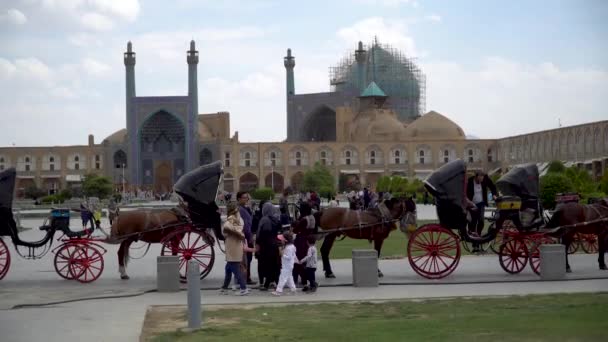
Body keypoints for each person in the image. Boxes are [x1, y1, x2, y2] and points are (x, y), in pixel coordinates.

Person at [219, 202, 249, 296]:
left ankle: (243, 288)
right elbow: (240, 232)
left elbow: (226, 230)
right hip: (236, 246)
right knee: (228, 268)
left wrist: (230, 233)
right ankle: (224, 288)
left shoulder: (230, 220)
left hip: (232, 247)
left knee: (235, 270)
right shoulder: (240, 220)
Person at [466, 170, 497, 253]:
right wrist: (468, 204)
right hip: (472, 204)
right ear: (476, 176)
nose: (482, 180)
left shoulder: (485, 179)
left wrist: (494, 194)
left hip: (481, 204)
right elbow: (465, 193)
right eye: (480, 178)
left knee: (481, 221)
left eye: (483, 178)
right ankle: (474, 244)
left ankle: (478, 241)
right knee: (473, 223)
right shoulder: (470, 181)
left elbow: (492, 186)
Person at [256, 202, 282, 291]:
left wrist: (258, 244)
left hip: (265, 246)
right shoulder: (276, 219)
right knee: (274, 265)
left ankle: (266, 284)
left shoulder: (264, 220)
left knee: (266, 265)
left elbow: (259, 234)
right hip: (274, 245)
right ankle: (275, 284)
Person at [291, 202, 315, 286]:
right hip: (309, 240)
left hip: (301, 241)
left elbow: (295, 230)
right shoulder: (312, 217)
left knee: (298, 260)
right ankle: (306, 279)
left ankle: (297, 279)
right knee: (307, 261)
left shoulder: (304, 219)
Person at [236, 191, 255, 285]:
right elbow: (246, 226)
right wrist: (250, 237)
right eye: (244, 197)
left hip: (245, 237)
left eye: (247, 197)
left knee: (247, 259)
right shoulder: (240, 210)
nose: (246, 199)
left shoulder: (244, 209)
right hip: (245, 238)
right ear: (239, 199)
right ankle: (245, 278)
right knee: (246, 259)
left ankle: (245, 277)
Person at [272, 232, 297, 296]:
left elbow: (289, 257)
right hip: (289, 266)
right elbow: (293, 256)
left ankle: (278, 291)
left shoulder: (289, 248)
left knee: (282, 278)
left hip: (287, 266)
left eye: (281, 240)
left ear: (285, 240)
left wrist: (282, 254)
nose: (280, 241)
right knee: (289, 278)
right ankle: (293, 289)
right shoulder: (291, 246)